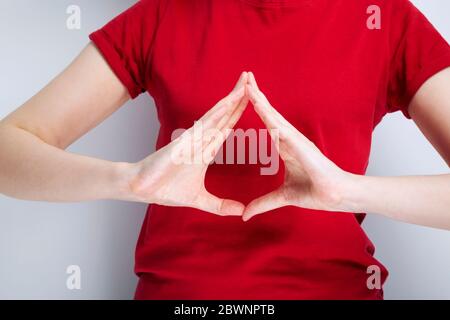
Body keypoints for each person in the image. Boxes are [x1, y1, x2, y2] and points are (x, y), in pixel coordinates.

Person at [0, 0, 449, 300]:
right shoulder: (165, 13)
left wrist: (349, 191)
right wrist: (129, 180)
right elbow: (10, 148)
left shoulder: (382, 16)